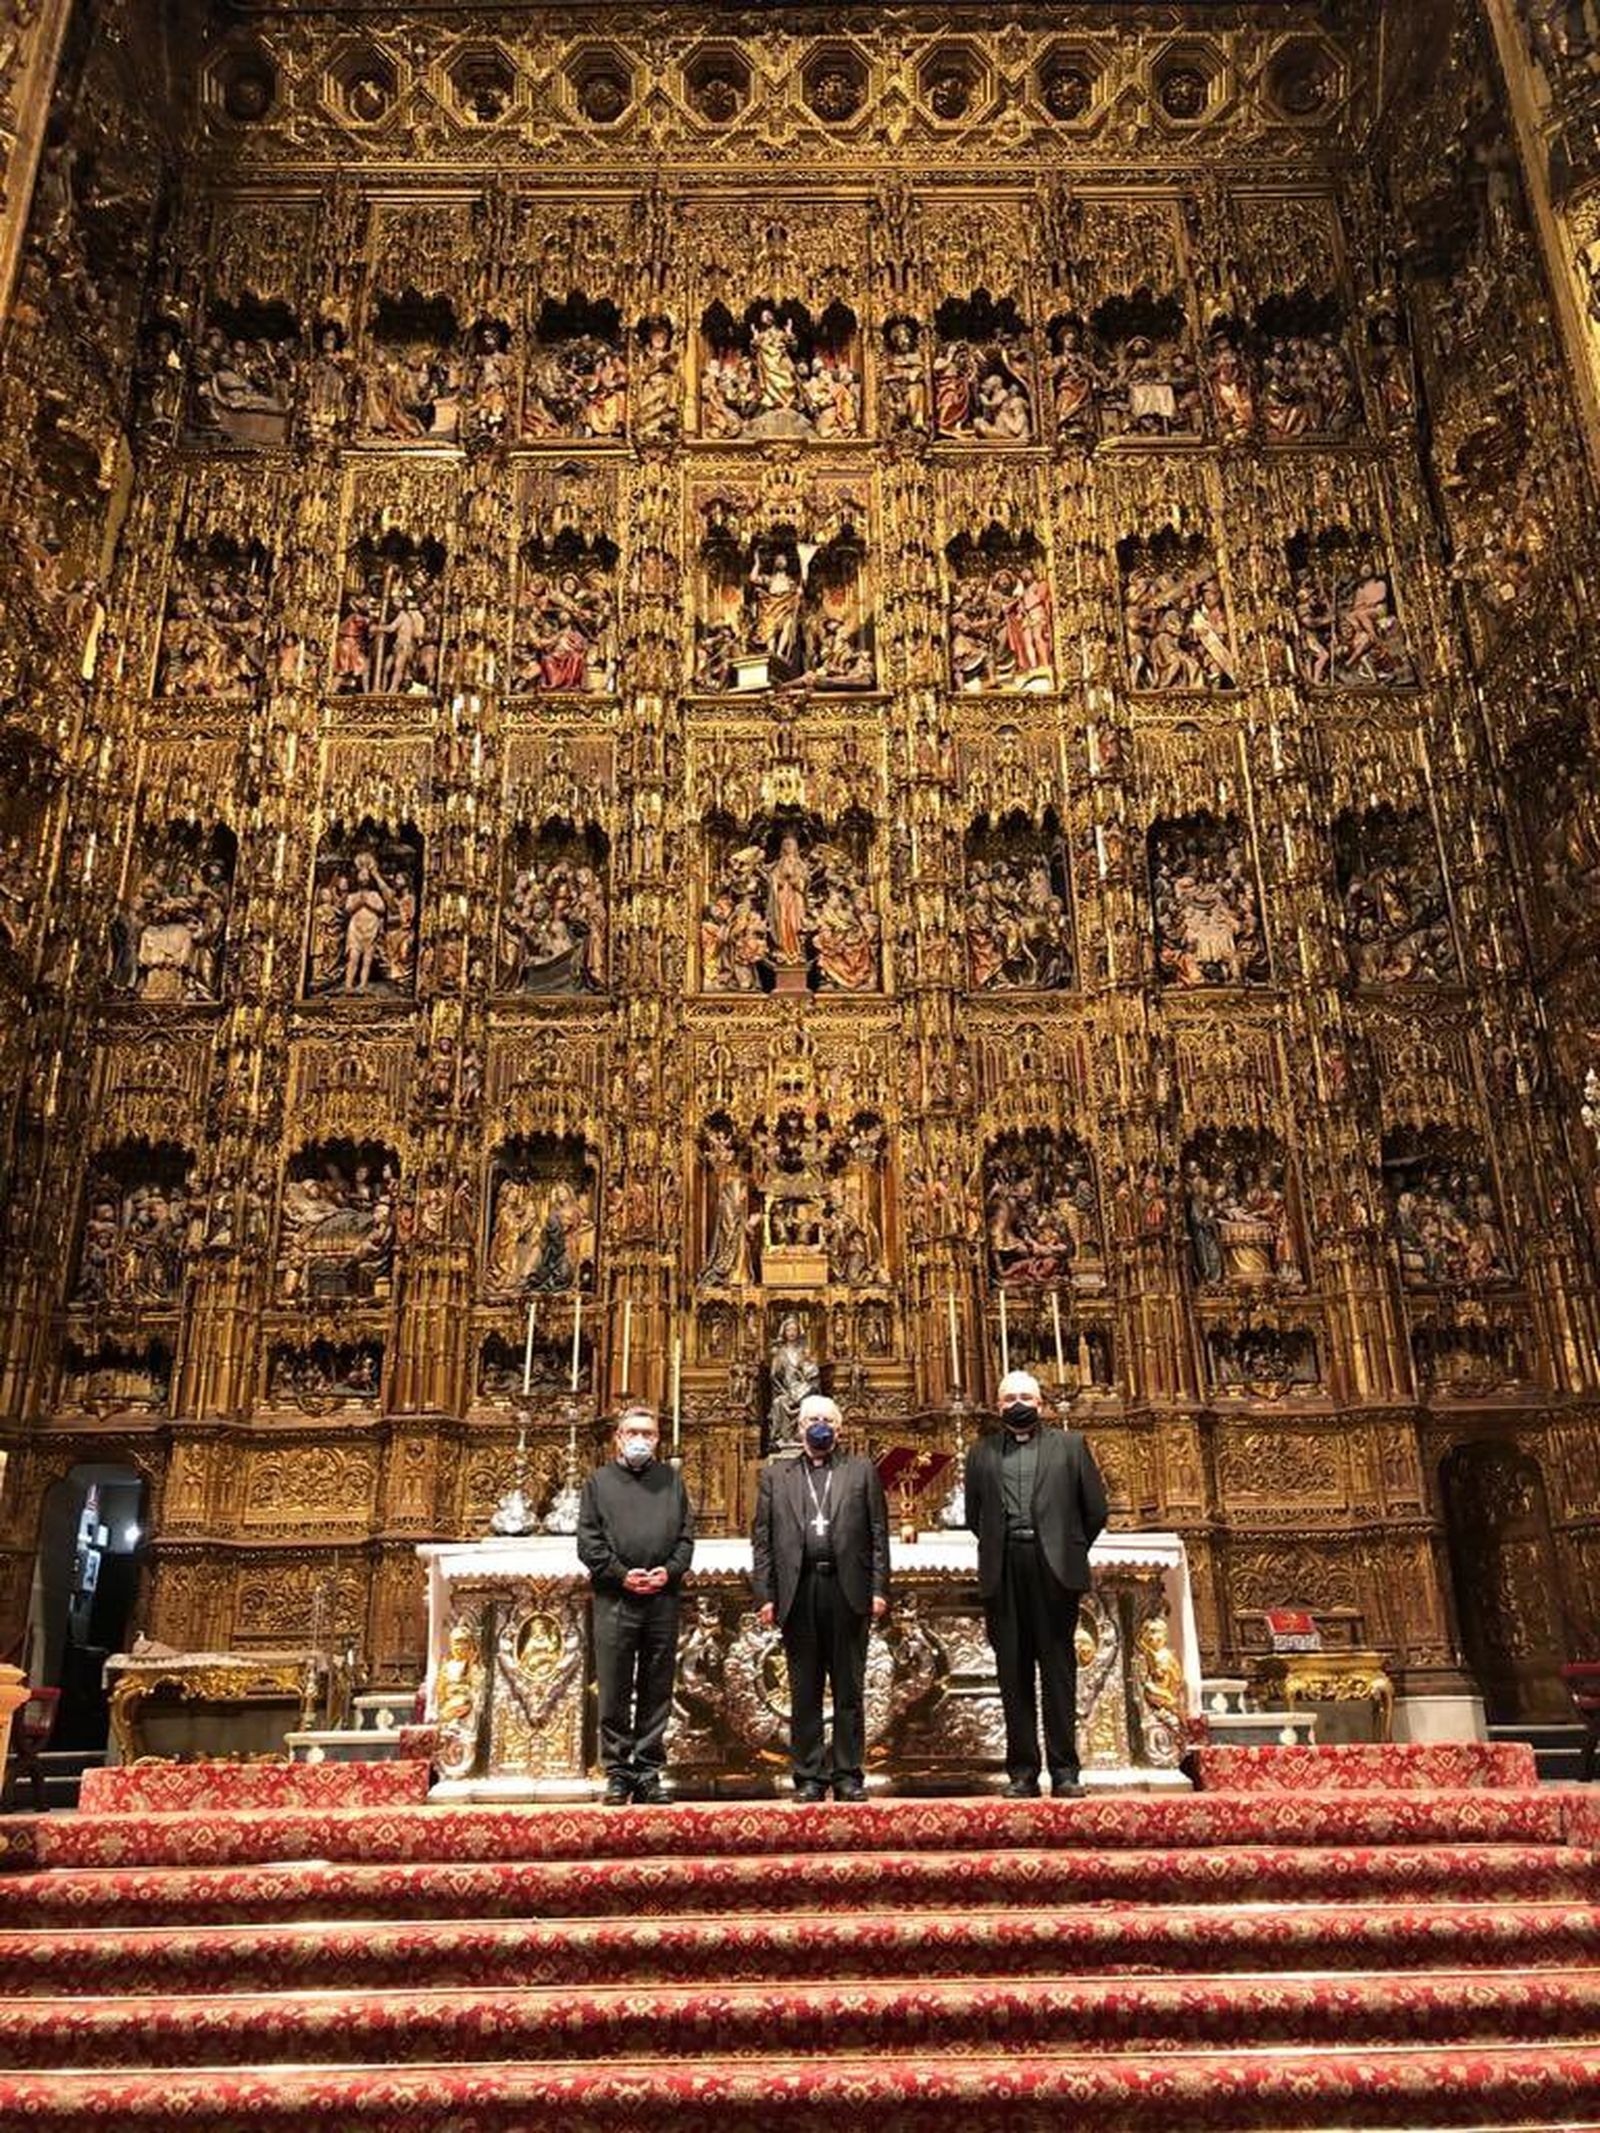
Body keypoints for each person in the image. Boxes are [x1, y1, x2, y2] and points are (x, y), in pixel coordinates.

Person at [965, 1368, 1107, 1798]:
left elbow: (1095, 1510)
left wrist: (1066, 1548)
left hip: (1054, 1571)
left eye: (1026, 1397)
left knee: (1058, 1672)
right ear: (998, 1406)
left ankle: (1065, 1771)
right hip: (1005, 1569)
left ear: (1041, 1404)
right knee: (1013, 1674)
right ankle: (1023, 1773)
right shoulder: (982, 1453)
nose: (1018, 1405)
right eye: (1010, 1399)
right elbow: (976, 1517)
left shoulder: (1071, 1447)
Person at [751, 1393, 889, 1802]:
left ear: (840, 1428)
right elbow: (762, 1540)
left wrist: (879, 1589)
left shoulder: (861, 1471)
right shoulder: (777, 1476)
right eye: (812, 1419)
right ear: (798, 1427)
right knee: (804, 1689)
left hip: (848, 1590)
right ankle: (809, 1776)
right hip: (799, 1590)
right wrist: (765, 1594)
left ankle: (848, 1774)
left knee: (849, 1689)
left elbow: (878, 1535)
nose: (819, 1425)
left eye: (827, 1419)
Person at [577, 1406, 695, 1803]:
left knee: (656, 1685)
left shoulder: (672, 1481)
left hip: (662, 1598)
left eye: (648, 1432)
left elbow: (685, 1539)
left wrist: (669, 1571)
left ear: (658, 1439)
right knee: (613, 1685)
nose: (641, 1438)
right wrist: (620, 1574)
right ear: (618, 1437)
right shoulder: (598, 1483)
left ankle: (647, 1770)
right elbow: (589, 1542)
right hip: (616, 1598)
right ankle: (617, 1771)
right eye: (632, 1432)